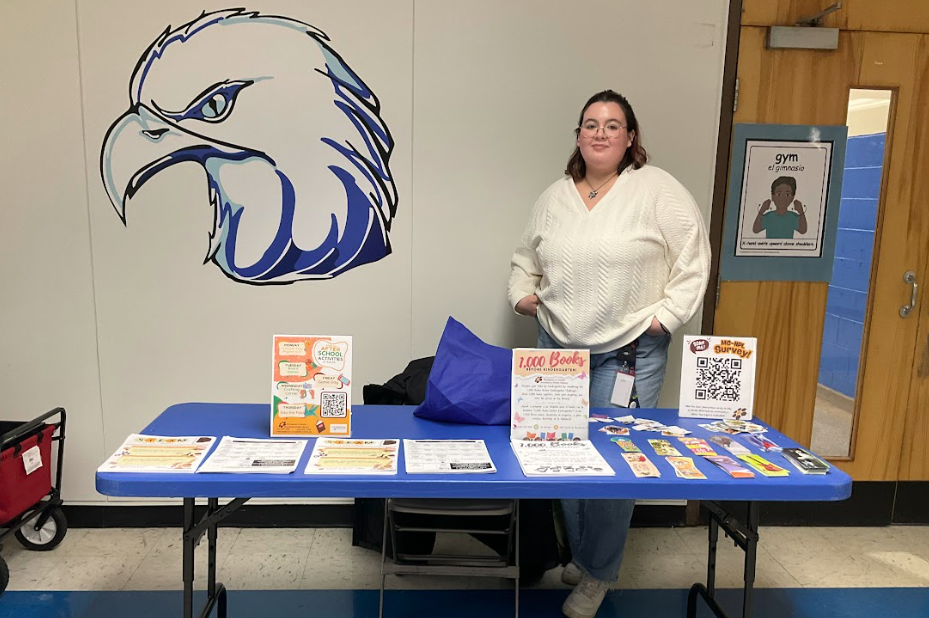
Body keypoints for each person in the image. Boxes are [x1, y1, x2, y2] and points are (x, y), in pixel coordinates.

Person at [507, 90, 710, 618]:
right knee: (558, 458)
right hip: (556, 350)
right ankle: (585, 555)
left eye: (613, 125)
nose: (600, 133)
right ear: (578, 135)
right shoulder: (555, 196)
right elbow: (525, 257)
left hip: (627, 352)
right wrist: (523, 295)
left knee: (612, 467)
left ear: (631, 137)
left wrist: (665, 317)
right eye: (591, 124)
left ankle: (597, 574)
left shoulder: (657, 189)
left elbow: (693, 258)